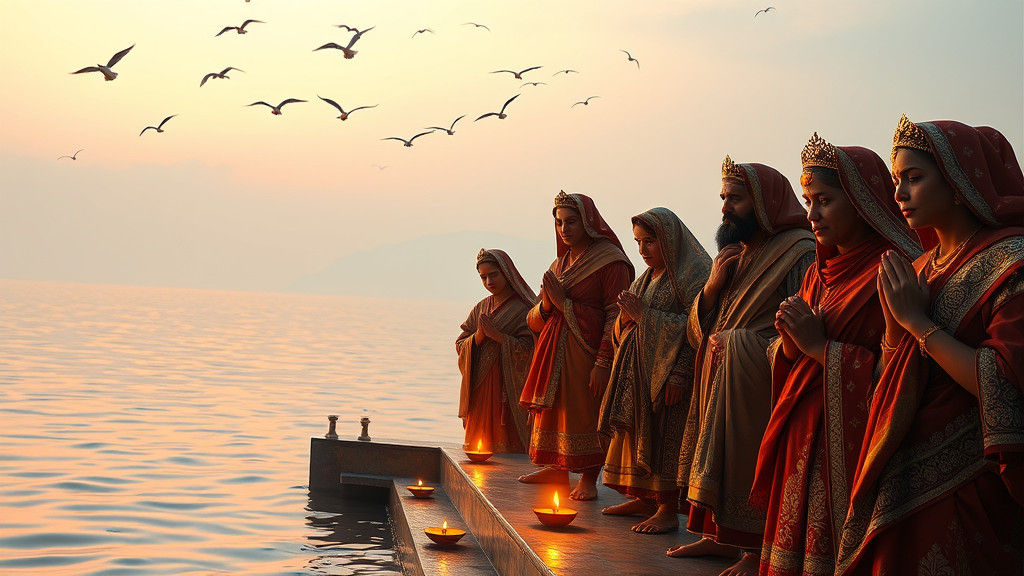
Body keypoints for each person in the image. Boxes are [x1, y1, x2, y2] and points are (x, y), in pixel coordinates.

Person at [836, 116, 1024, 575]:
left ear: (958, 182)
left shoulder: (1010, 263)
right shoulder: (918, 268)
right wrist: (894, 330)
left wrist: (918, 323)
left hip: (970, 479)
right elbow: (888, 380)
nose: (899, 193)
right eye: (896, 180)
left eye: (914, 178)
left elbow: (1001, 382)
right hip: (900, 474)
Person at [749, 133, 924, 576]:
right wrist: (789, 343)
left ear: (862, 203)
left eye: (825, 201)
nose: (812, 215)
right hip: (800, 434)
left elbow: (899, 373)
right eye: (808, 201)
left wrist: (818, 347)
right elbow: (792, 359)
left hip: (846, 444)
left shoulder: (892, 269)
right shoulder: (817, 272)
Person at [668, 156, 815, 576]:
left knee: (750, 466)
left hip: (759, 379)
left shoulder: (799, 251)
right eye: (723, 198)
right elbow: (700, 330)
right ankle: (717, 539)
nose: (725, 208)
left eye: (735, 199)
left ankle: (753, 552)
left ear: (765, 202)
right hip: (722, 373)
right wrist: (713, 287)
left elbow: (801, 323)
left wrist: (741, 345)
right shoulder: (738, 253)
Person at [599, 207, 711, 534]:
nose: (642, 250)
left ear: (670, 239)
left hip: (671, 376)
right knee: (640, 436)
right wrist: (624, 320)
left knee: (666, 439)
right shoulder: (645, 278)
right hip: (639, 376)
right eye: (638, 242)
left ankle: (666, 508)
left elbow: (698, 327)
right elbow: (624, 327)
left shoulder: (693, 276)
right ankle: (643, 499)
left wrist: (679, 374)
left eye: (650, 241)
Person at [519, 191, 634, 500]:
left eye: (571, 221)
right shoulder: (560, 264)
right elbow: (536, 317)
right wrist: (548, 305)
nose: (564, 229)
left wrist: (603, 362)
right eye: (559, 222)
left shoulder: (611, 261)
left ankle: (588, 477)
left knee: (585, 413)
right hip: (552, 351)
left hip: (587, 351)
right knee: (556, 412)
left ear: (588, 222)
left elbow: (616, 314)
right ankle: (556, 469)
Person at [456, 248, 537, 454]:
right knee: (479, 448)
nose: (489, 281)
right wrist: (478, 337)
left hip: (507, 390)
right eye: (483, 277)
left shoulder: (524, 308)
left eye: (493, 275)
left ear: (507, 272)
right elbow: (460, 343)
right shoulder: (481, 307)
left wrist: (499, 337)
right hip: (480, 387)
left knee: (508, 451)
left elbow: (533, 349)